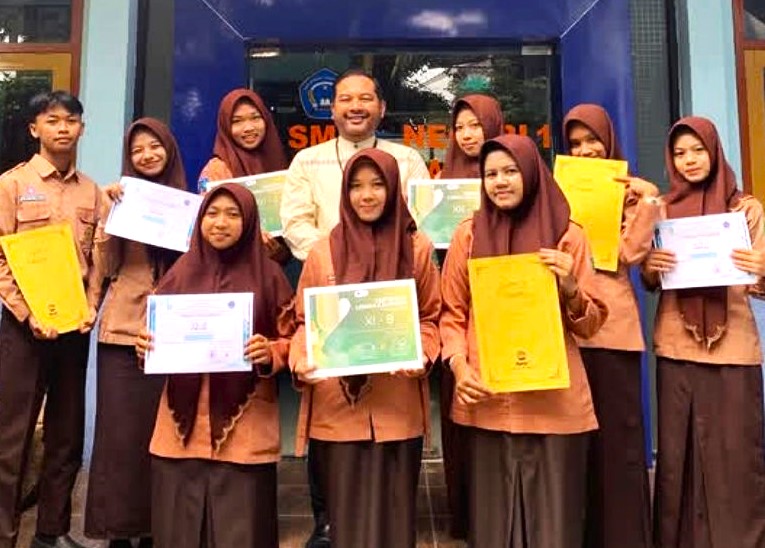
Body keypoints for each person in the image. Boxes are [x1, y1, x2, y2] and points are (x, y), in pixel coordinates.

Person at [279, 68, 430, 547]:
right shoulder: (308, 161)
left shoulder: (407, 159)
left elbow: (422, 219)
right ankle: (327, 526)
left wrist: (381, 259)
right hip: (329, 291)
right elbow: (294, 223)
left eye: (366, 98)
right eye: (345, 98)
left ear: (382, 107)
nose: (356, 106)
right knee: (335, 463)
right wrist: (339, 265)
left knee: (392, 480)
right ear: (332, 107)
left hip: (393, 301)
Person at [439, 134, 607, 548]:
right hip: (488, 398)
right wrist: (459, 366)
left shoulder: (568, 237)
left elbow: (591, 325)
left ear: (532, 173)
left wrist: (571, 286)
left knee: (555, 528)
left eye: (511, 171)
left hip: (555, 404)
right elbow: (452, 314)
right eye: (491, 174)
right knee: (493, 528)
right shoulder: (468, 236)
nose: (500, 182)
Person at [136, 183, 295, 548]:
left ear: (249, 221)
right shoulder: (179, 272)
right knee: (178, 527)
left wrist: (272, 351)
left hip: (245, 425)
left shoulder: (270, 276)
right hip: (180, 430)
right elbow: (153, 335)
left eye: (233, 214)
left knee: (241, 529)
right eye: (212, 213)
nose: (220, 223)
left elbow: (297, 337)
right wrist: (145, 345)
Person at [643, 116, 765, 548]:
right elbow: (650, 278)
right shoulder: (661, 210)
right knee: (679, 457)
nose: (689, 160)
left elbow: (761, 283)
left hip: (733, 347)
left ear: (714, 152)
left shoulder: (745, 210)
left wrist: (761, 268)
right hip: (677, 345)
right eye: (679, 153)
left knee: (736, 455)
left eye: (698, 150)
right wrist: (650, 267)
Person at [0, 91, 101, 548]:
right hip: (24, 331)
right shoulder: (12, 185)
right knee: (11, 438)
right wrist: (27, 313)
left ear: (82, 128)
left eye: (71, 121)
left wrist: (92, 305)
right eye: (53, 120)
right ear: (34, 128)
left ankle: (50, 533)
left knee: (65, 435)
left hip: (73, 330)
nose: (63, 128)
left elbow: (98, 261)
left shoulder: (92, 192)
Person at [84, 118, 188, 548]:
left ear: (169, 149)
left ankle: (154, 529)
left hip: (175, 338)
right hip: (124, 333)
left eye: (155, 146)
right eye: (138, 149)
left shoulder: (190, 205)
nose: (147, 155)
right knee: (120, 439)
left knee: (163, 439)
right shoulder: (119, 201)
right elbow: (106, 268)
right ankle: (117, 532)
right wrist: (109, 217)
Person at [562, 103, 660, 548]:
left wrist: (648, 200)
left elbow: (630, 255)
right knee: (578, 443)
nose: (585, 151)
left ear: (609, 141)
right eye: (576, 143)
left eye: (592, 141)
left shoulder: (635, 195)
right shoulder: (559, 193)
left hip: (615, 331)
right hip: (571, 329)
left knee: (619, 443)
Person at [437, 93, 503, 540]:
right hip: (456, 307)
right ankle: (464, 511)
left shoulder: (512, 176)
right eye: (459, 127)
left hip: (504, 312)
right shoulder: (441, 182)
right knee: (460, 410)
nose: (467, 134)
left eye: (476, 125)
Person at [198, 88, 290, 263]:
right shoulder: (216, 170)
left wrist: (277, 251)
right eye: (237, 121)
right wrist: (250, 239)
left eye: (255, 118)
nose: (248, 128)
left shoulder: (279, 163)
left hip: (273, 270)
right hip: (229, 267)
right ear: (226, 127)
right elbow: (208, 229)